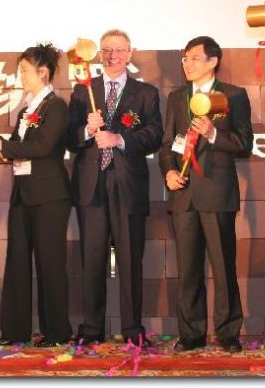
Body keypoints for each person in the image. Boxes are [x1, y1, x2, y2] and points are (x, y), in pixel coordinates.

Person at [67, 29, 163, 347]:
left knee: (130, 260)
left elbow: (155, 135)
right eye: (107, 50)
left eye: (120, 50)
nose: (113, 56)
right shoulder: (83, 91)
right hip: (91, 185)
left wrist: (119, 139)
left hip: (128, 186)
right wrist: (87, 129)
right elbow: (68, 138)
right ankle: (92, 328)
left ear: (129, 54)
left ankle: (132, 329)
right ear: (99, 54)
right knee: (92, 259)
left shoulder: (146, 93)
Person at [0, 43, 72, 346]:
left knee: (49, 263)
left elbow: (42, 147)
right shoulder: (28, 108)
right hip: (23, 194)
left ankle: (56, 332)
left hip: (49, 196)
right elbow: (15, 148)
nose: (21, 76)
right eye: (21, 70)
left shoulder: (56, 107)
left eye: (25, 71)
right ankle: (15, 331)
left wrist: (3, 145)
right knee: (16, 261)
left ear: (43, 72)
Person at [158, 36, 253, 353]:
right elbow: (167, 144)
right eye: (185, 58)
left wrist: (213, 134)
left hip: (217, 193)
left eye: (194, 58)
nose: (187, 64)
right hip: (184, 195)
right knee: (188, 268)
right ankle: (191, 333)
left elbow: (244, 143)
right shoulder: (177, 97)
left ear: (213, 61)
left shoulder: (232, 95)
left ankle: (228, 333)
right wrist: (169, 172)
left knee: (223, 267)